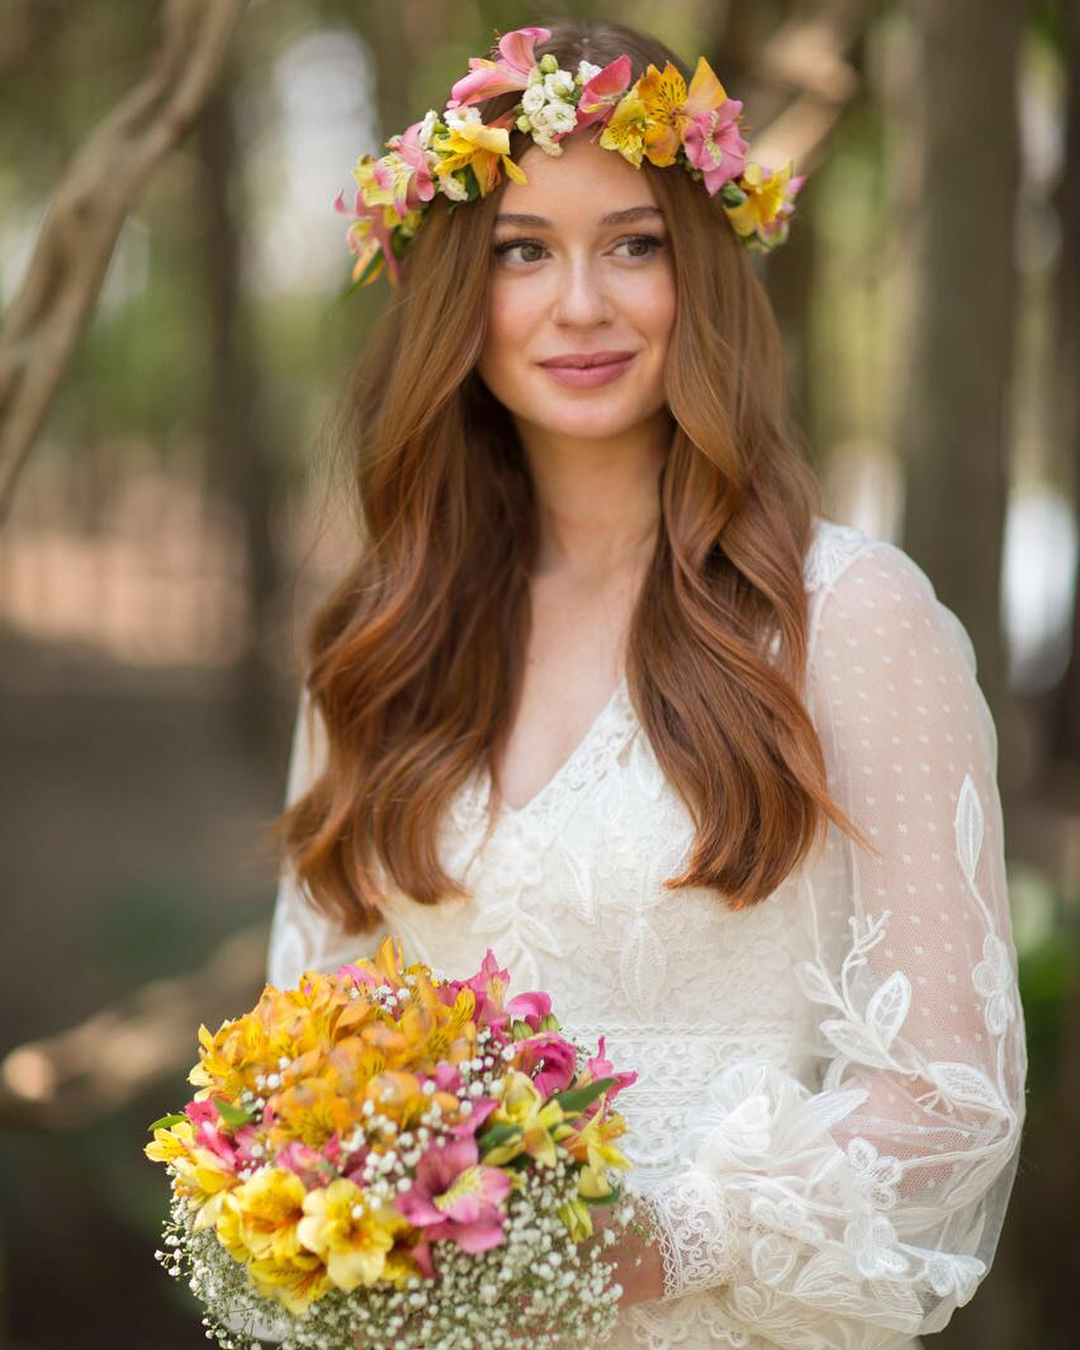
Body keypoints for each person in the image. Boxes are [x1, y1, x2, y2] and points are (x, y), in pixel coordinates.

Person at [265, 18, 1026, 1350]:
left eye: (634, 243)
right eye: (523, 251)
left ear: (704, 270)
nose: (581, 305)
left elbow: (947, 1093)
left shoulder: (851, 617)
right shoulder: (380, 633)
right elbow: (305, 1040)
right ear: (457, 288)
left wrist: (650, 1244)